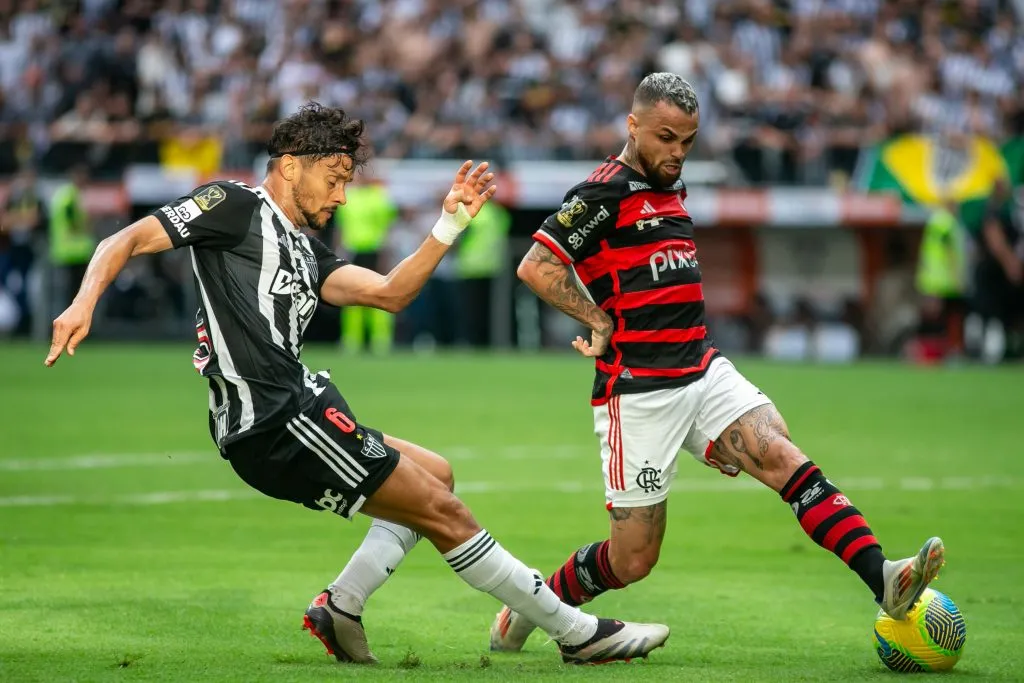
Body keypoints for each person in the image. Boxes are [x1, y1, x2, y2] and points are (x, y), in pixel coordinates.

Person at [42, 102, 669, 666]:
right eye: (335, 178)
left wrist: (448, 225)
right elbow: (125, 238)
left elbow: (390, 293)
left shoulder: (304, 249)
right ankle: (575, 632)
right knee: (444, 513)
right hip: (275, 422)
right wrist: (82, 302)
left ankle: (341, 606)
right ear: (291, 166)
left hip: (301, 407)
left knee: (438, 475)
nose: (342, 196)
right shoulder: (234, 206)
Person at [488, 73, 946, 651]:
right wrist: (597, 320)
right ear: (632, 126)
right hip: (640, 391)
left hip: (702, 369)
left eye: (688, 141)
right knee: (633, 560)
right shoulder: (602, 193)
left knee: (782, 456)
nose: (677, 152)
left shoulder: (671, 187)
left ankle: (884, 579)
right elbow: (536, 266)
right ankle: (532, 605)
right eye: (665, 138)